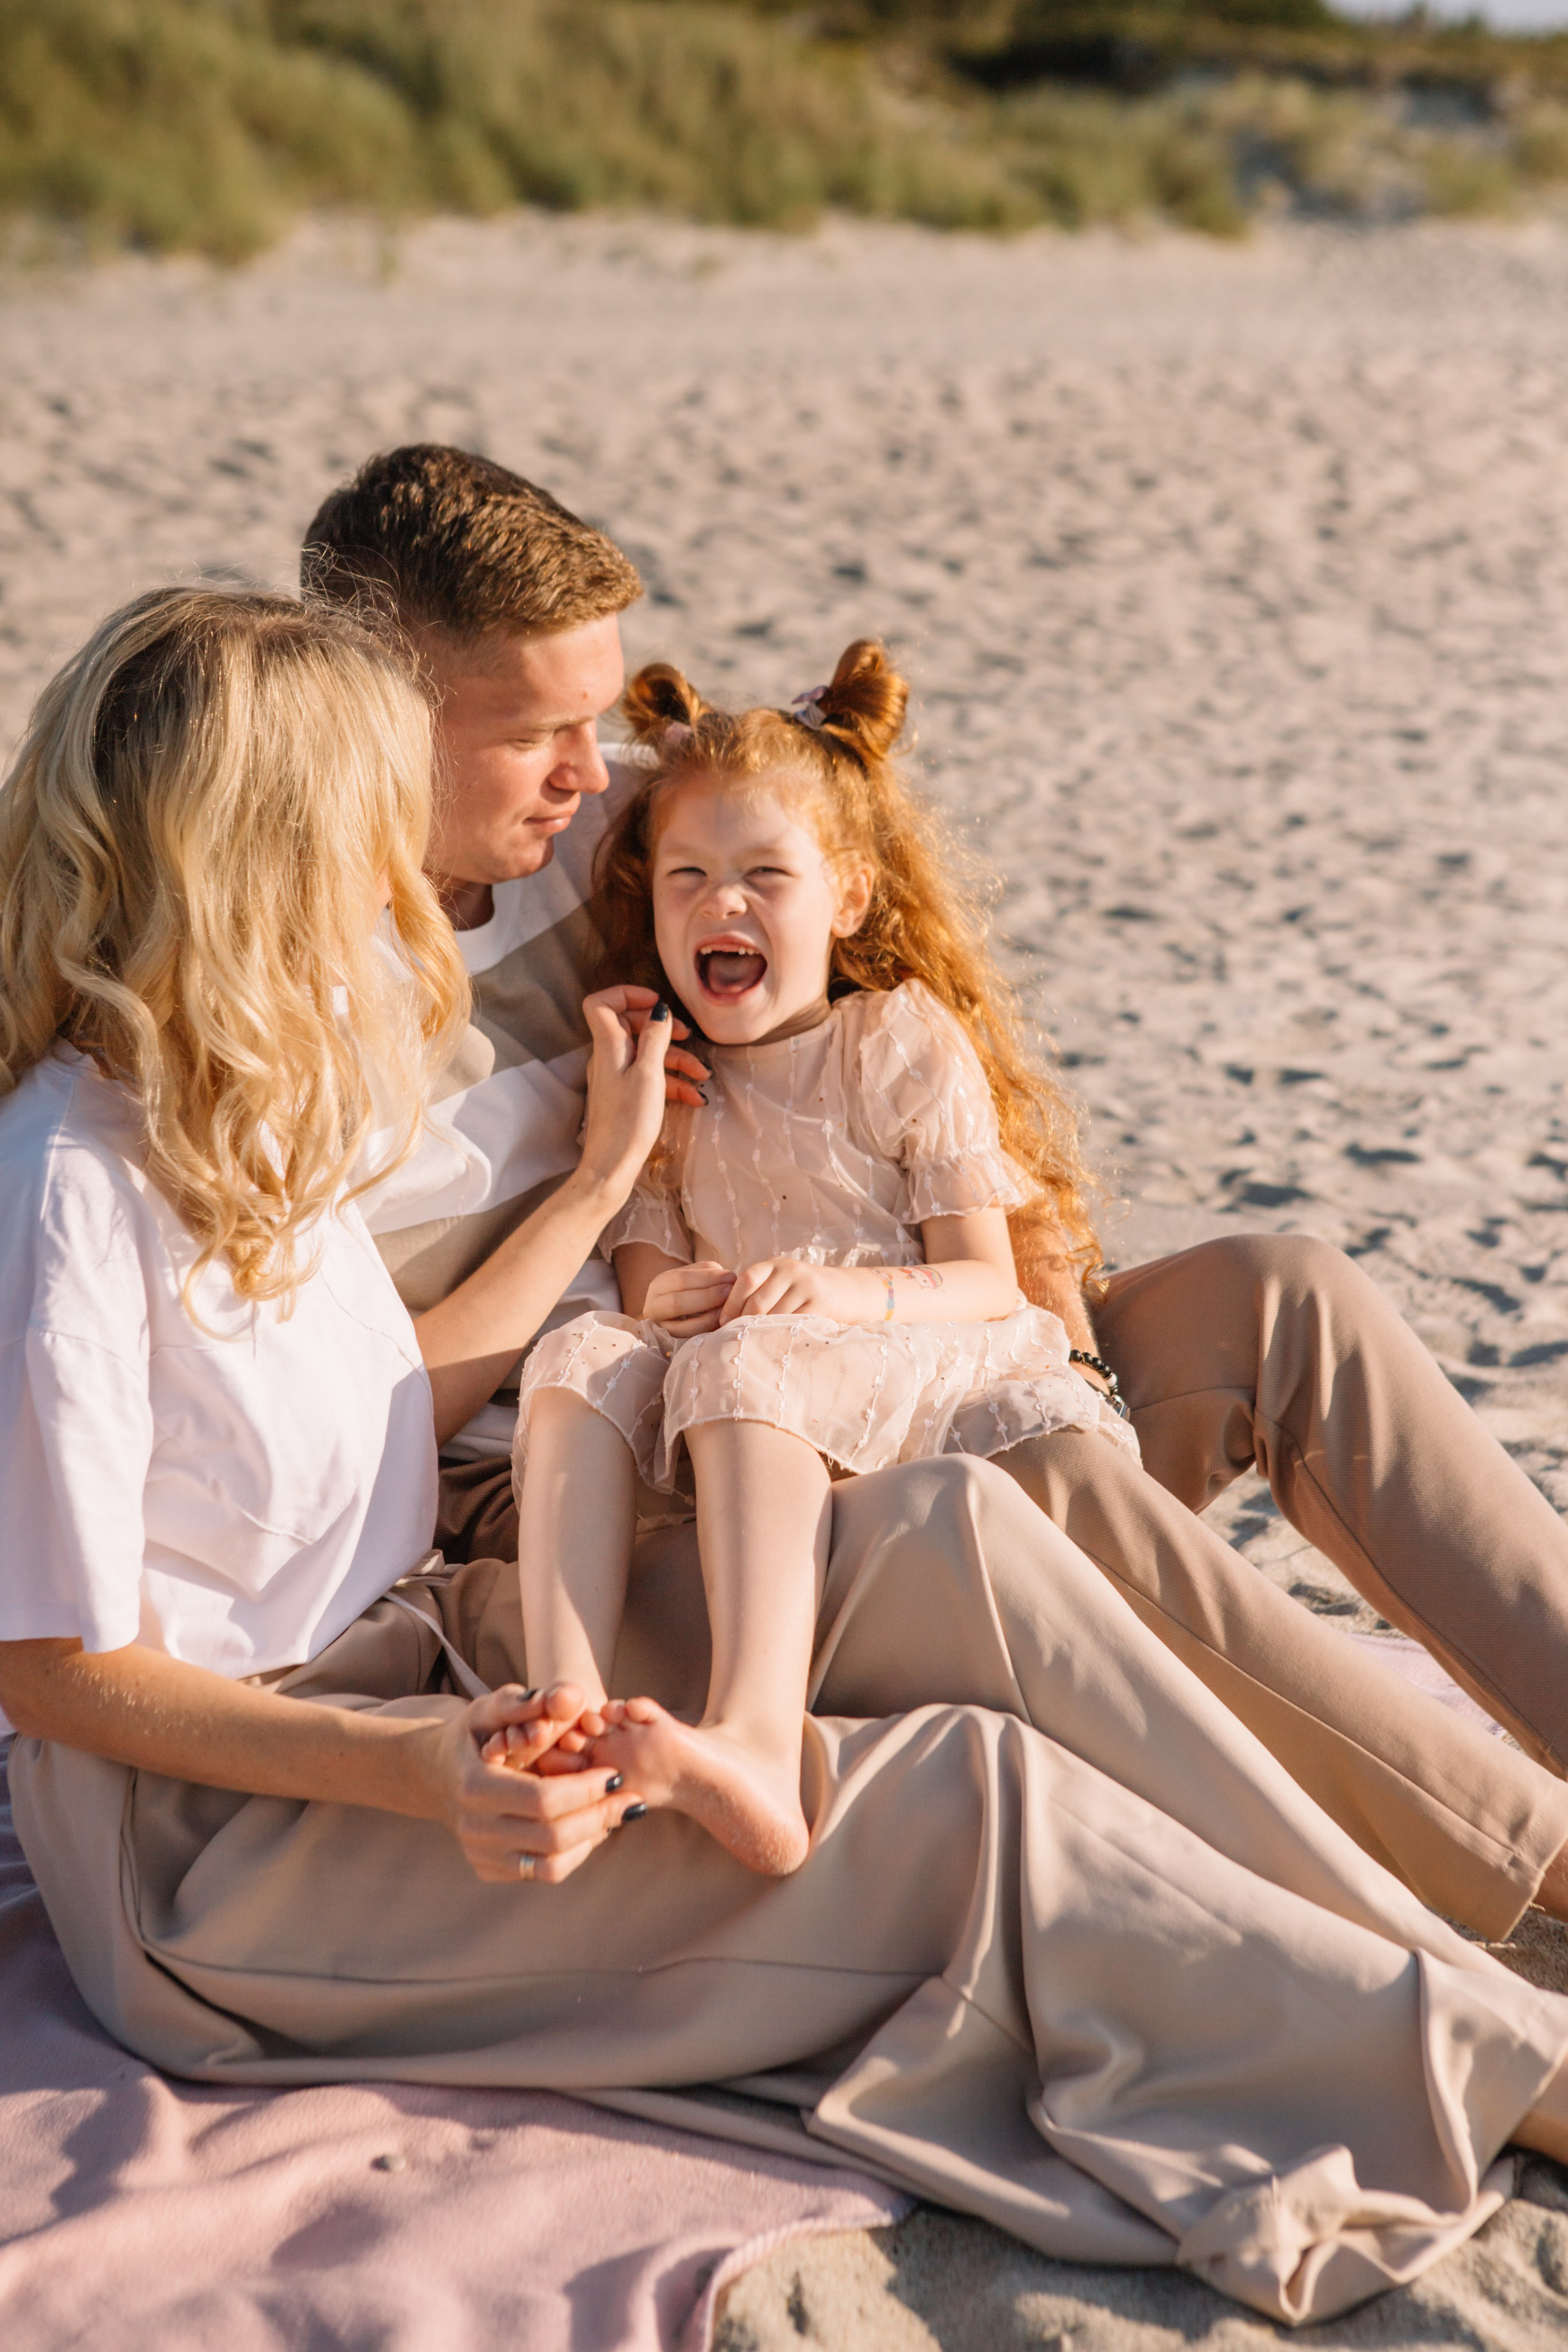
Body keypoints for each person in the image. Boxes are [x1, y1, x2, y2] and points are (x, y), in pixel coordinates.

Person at [9, 585, 1568, 2328]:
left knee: (962, 1544)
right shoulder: (67, 1187)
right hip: (230, 1840)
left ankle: (1449, 1956)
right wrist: (424, 1768)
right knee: (963, 1791)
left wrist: (616, 1212)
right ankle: (1514, 2062)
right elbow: (56, 1674)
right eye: (370, 828)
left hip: (431, 1638)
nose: (409, 892)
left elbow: (369, 1409)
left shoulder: (241, 1107)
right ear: (267, 852)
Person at [300, 442, 1568, 1942]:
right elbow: (351, 1438)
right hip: (636, 1503)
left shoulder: (594, 842)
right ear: (374, 723)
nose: (596, 778)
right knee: (1038, 1492)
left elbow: (812, 880)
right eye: (544, 732)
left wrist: (999, 1304)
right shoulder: (289, 1003)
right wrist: (596, 1198)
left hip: (855, 1347)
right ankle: (1535, 1869)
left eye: (599, 718)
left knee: (1275, 1297)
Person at [511, 641, 1135, 1872]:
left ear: (844, 897)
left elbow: (985, 1280)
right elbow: (646, 1291)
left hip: (912, 1361)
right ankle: (565, 1710)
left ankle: (754, 1736)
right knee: (581, 1351)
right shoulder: (672, 1083)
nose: (719, 904)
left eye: (763, 877)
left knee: (758, 1361)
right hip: (741, 1385)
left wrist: (835, 1294)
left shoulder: (896, 1043)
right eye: (686, 876)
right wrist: (677, 1286)